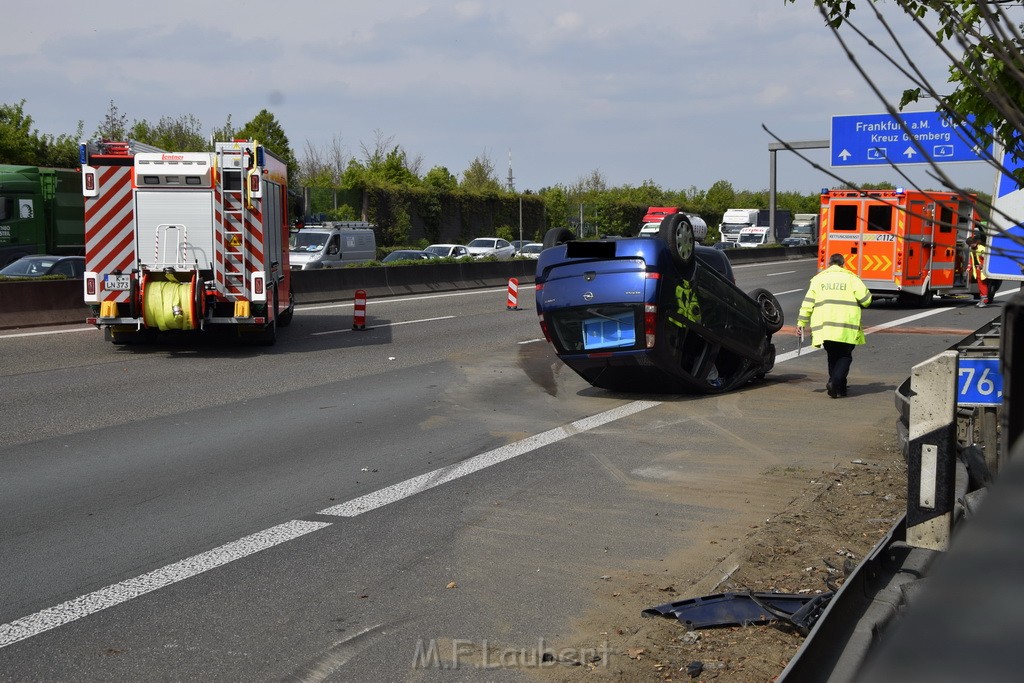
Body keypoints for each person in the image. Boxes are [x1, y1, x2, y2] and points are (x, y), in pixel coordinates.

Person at [796, 253, 872, 398]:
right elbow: (866, 300)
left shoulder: (818, 279)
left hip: (825, 328)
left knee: (833, 357)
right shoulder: (851, 278)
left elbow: (807, 304)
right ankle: (834, 382)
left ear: (829, 264)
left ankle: (840, 389)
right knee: (844, 356)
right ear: (843, 264)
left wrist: (801, 323)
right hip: (845, 327)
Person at [968, 235, 998, 307]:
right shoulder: (973, 249)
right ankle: (982, 299)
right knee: (980, 285)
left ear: (974, 242)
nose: (970, 245)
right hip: (977, 270)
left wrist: (982, 266)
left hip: (981, 270)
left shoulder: (981, 249)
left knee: (983, 285)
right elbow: (972, 259)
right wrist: (969, 267)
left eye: (970, 244)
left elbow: (986, 259)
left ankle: (984, 300)